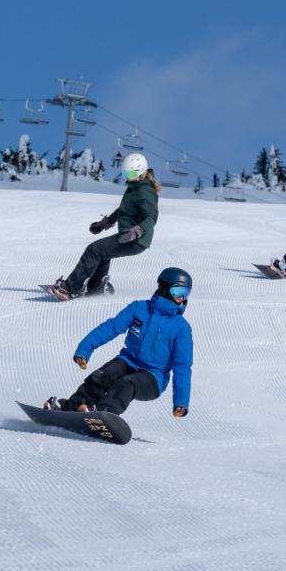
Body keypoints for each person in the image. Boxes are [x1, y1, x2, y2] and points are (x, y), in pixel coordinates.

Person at [44, 267, 194, 417]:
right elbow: (111, 327)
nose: (182, 297)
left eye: (186, 293)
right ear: (164, 288)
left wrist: (181, 402)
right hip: (128, 361)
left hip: (154, 376)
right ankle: (71, 408)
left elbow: (183, 367)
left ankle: (104, 414)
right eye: (178, 291)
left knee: (126, 384)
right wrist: (86, 347)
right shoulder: (139, 308)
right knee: (102, 376)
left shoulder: (181, 328)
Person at [49, 152, 160, 299]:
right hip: (129, 235)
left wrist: (137, 231)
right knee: (103, 252)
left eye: (131, 173)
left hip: (136, 239)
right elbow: (123, 210)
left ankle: (70, 288)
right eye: (125, 173)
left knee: (94, 249)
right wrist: (104, 224)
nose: (127, 176)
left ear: (140, 172)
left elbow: (151, 217)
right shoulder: (135, 186)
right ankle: (96, 288)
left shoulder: (145, 191)